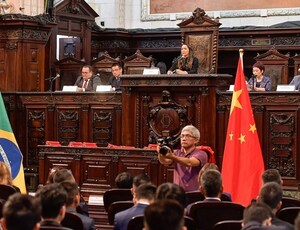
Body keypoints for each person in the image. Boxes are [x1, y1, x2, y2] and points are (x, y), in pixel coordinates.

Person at [157, 125, 208, 192]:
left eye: (188, 136)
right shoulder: (176, 153)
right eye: (182, 136)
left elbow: (190, 162)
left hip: (195, 193)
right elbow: (165, 161)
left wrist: (172, 156)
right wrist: (160, 153)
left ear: (196, 140)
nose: (184, 138)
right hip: (178, 193)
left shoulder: (201, 154)